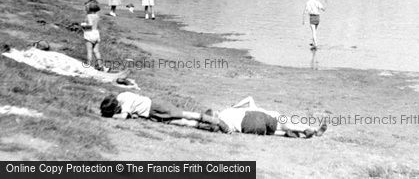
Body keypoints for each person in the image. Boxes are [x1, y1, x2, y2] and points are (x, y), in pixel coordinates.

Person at [100, 92, 228, 132]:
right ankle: (209, 127)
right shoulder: (122, 95)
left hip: (155, 107)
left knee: (182, 114)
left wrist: (112, 116)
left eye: (115, 110)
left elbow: (123, 116)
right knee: (179, 122)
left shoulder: (124, 101)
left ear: (115, 107)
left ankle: (215, 121)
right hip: (151, 113)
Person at [216, 96, 327, 138]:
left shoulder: (248, 111)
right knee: (288, 124)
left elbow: (229, 129)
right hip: (270, 117)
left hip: (257, 125)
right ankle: (311, 130)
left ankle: (297, 133)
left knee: (277, 131)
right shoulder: (251, 109)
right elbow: (249, 98)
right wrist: (235, 105)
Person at [81, 0, 104, 70]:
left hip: (90, 34)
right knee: (96, 51)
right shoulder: (97, 16)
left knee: (89, 51)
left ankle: (88, 65)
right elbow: (95, 25)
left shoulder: (88, 16)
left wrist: (83, 25)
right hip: (96, 33)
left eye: (86, 8)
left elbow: (90, 25)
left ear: (89, 8)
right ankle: (100, 65)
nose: (85, 9)